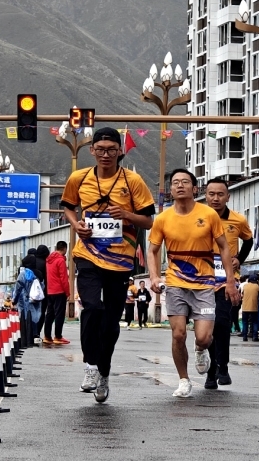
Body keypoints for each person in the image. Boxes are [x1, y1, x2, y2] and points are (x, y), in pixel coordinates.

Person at [61, 127, 155, 403]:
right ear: (92, 150)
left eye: (111, 150)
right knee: (91, 307)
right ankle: (90, 366)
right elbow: (68, 207)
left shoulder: (133, 181)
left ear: (120, 151)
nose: (105, 154)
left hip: (120, 259)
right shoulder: (79, 178)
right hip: (87, 254)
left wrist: (126, 214)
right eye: (100, 149)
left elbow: (149, 220)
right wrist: (76, 224)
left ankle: (104, 371)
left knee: (111, 322)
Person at [148, 168, 240, 398]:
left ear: (194, 188)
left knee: (204, 337)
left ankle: (200, 349)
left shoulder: (208, 215)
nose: (180, 185)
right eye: (175, 182)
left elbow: (224, 247)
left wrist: (230, 281)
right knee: (178, 334)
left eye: (185, 182)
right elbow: (152, 250)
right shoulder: (163, 218)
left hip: (205, 285)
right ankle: (183, 380)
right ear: (171, 189)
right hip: (176, 283)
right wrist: (154, 276)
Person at [203, 178, 254, 389]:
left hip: (227, 279)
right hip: (202, 277)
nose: (215, 198)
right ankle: (211, 371)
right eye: (211, 194)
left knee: (222, 322)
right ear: (205, 195)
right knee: (207, 325)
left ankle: (221, 366)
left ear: (228, 197)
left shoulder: (238, 220)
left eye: (220, 194)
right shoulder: (197, 216)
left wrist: (239, 259)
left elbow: (249, 240)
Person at [43, 240, 71, 345]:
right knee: (59, 314)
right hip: (59, 291)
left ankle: (47, 336)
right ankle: (58, 336)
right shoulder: (60, 260)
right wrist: (67, 292)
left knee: (49, 314)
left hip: (50, 291)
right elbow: (64, 278)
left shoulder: (48, 260)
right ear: (65, 249)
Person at [13, 255, 42, 348]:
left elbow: (18, 288)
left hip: (25, 299)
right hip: (37, 299)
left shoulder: (23, 274)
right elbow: (42, 286)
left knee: (26, 318)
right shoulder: (39, 274)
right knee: (36, 317)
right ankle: (35, 335)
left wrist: (14, 300)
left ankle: (26, 338)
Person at [34, 245, 50, 342]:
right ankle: (37, 333)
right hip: (42, 292)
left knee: (31, 312)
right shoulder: (46, 264)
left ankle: (29, 332)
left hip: (30, 293)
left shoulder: (32, 261)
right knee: (41, 312)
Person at [240, 275, 259, 342]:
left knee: (245, 322)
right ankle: (255, 337)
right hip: (254, 307)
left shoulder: (245, 286)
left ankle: (244, 337)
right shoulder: (257, 286)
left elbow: (242, 294)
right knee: (254, 322)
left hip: (245, 307)